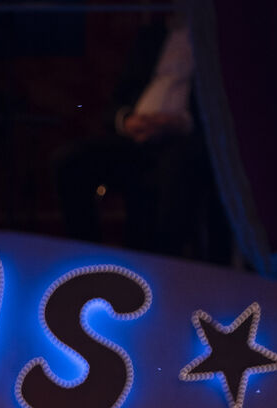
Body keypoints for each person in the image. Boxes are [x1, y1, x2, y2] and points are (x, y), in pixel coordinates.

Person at [52, 15, 212, 257]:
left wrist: (181, 123)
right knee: (69, 161)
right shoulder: (152, 36)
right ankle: (86, 258)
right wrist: (127, 121)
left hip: (185, 140)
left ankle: (165, 265)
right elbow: (116, 101)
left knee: (178, 167)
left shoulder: (216, 42)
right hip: (135, 138)